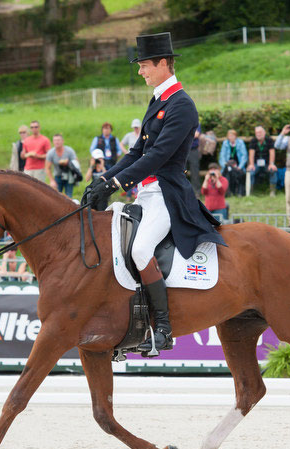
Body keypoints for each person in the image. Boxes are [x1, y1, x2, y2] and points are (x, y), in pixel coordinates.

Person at [85, 32, 225, 353]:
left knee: (140, 249)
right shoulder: (158, 100)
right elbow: (136, 152)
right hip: (145, 194)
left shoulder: (182, 105)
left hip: (167, 193)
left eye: (144, 65)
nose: (140, 71)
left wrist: (118, 184)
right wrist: (103, 179)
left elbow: (158, 156)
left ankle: (162, 327)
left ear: (163, 63)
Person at [247, 126, 277, 195]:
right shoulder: (253, 141)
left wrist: (271, 164)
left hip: (267, 163)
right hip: (256, 163)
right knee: (251, 172)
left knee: (273, 170)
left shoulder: (269, 140)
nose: (258, 134)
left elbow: (272, 153)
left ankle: (272, 191)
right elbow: (251, 154)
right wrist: (251, 164)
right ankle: (250, 192)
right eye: (256, 132)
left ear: (264, 133)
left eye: (260, 132)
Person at [218, 129, 248, 195]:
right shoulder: (225, 143)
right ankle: (227, 193)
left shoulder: (240, 142)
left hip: (238, 165)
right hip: (228, 165)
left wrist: (240, 167)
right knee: (226, 175)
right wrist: (224, 165)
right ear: (228, 137)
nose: (231, 137)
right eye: (230, 136)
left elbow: (244, 156)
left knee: (240, 175)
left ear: (235, 136)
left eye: (233, 136)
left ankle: (239, 192)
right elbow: (222, 156)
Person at [186, 125, 202, 198]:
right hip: (182, 150)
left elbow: (196, 134)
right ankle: (183, 192)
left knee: (195, 172)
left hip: (193, 150)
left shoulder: (196, 122)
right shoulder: (181, 120)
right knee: (182, 172)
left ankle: (196, 193)